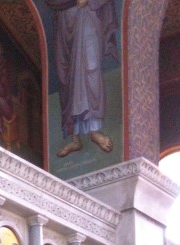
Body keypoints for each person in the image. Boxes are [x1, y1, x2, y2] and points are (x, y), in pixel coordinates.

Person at [49, 0, 118, 158]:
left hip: (88, 17)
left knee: (91, 70)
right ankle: (75, 138)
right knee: (71, 80)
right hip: (66, 21)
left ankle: (94, 131)